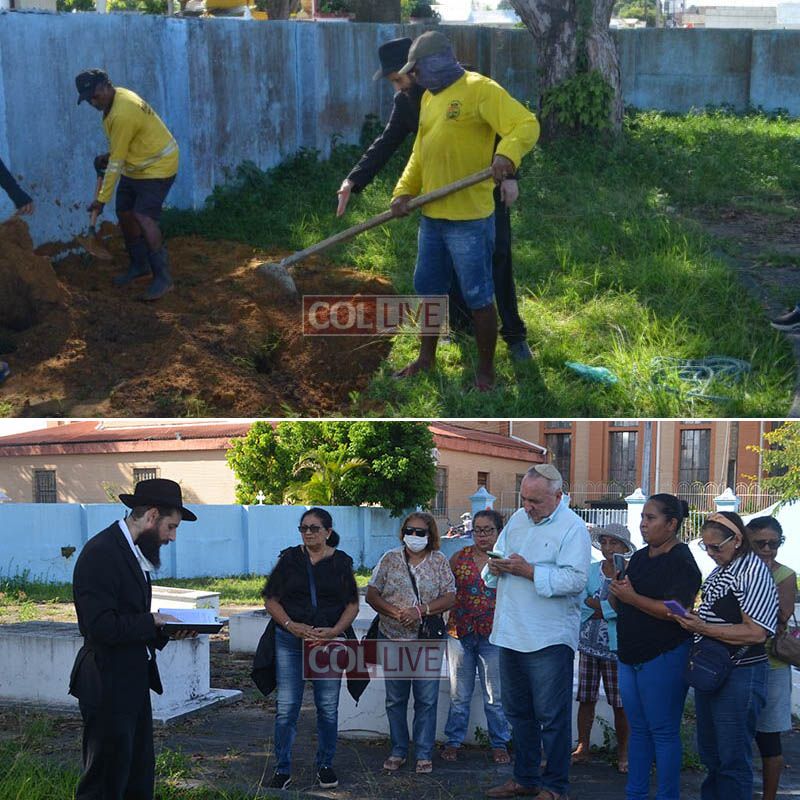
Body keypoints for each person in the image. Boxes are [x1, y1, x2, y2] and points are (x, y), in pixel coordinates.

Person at [337, 37, 533, 363]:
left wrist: (510, 173)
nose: (398, 87)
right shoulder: (413, 102)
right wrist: (353, 181)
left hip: (482, 188)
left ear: (417, 69)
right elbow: (390, 144)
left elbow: (505, 127)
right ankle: (460, 326)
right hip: (439, 202)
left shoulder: (467, 82)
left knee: (496, 257)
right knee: (446, 270)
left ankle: (514, 336)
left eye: (400, 78)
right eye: (394, 81)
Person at [390, 31, 540, 391]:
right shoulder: (428, 99)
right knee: (428, 289)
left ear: (437, 62)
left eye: (419, 68)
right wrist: (404, 191)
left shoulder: (480, 89)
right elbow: (420, 153)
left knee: (477, 294)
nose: (416, 76)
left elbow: (526, 124)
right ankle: (426, 359)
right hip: (432, 217)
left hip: (470, 220)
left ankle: (486, 374)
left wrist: (507, 155)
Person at [69, 478, 197, 800]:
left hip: (132, 682)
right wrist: (152, 620)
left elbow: (130, 622)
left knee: (137, 778)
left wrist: (166, 631)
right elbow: (99, 627)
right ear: (152, 516)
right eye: (171, 527)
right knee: (104, 783)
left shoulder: (133, 552)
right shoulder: (102, 553)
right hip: (106, 683)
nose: (172, 536)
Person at [483, 463, 591, 800]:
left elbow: (576, 581)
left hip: (548, 639)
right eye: (524, 498)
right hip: (510, 632)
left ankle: (555, 786)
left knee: (552, 717)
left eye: (536, 501)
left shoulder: (573, 529)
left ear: (558, 496)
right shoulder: (516, 519)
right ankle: (525, 778)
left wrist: (529, 571)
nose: (527, 507)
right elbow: (496, 560)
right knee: (518, 713)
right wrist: (494, 566)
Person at [671, 512, 778, 800]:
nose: (711, 553)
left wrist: (703, 626)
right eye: (706, 547)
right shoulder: (724, 570)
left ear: (738, 540)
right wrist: (696, 621)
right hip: (716, 671)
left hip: (740, 672)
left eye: (716, 547)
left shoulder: (751, 572)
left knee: (731, 758)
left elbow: (757, 633)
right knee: (712, 755)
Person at [609, 494, 702, 800]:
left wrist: (632, 598)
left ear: (672, 524)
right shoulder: (638, 557)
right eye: (643, 517)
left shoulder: (682, 562)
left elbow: (678, 610)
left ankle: (667, 796)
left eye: (651, 518)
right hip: (630, 655)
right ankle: (635, 794)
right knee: (639, 730)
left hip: (664, 656)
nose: (643, 524)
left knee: (662, 731)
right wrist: (616, 590)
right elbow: (622, 600)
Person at [262, 507, 360, 791]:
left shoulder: (341, 562)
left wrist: (334, 631)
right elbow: (271, 600)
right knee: (287, 707)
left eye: (314, 528)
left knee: (327, 707)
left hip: (327, 643)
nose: (308, 533)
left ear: (328, 532)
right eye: (303, 528)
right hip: (290, 641)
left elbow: (352, 605)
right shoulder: (289, 559)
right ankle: (282, 768)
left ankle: (325, 765)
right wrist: (291, 625)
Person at [76, 69, 179, 301]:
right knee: (124, 210)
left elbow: (115, 165)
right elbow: (122, 149)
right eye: (88, 99)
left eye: (94, 95)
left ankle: (163, 278)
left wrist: (101, 200)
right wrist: (109, 155)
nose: (93, 102)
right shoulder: (113, 102)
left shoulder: (123, 111)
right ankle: (139, 265)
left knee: (143, 216)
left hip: (158, 165)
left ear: (104, 85)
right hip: (137, 165)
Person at [366, 511, 456, 774]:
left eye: (420, 532)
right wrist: (396, 613)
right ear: (403, 532)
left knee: (426, 699)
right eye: (410, 530)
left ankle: (424, 752)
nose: (414, 536)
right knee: (396, 698)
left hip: (426, 641)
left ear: (430, 536)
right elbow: (372, 593)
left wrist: (421, 610)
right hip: (393, 637)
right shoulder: (390, 559)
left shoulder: (439, 561)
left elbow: (450, 596)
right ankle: (398, 750)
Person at [442, 508, 512, 764]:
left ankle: (499, 743)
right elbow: (445, 589)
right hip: (459, 633)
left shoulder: (505, 561)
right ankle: (453, 741)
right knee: (459, 694)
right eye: (477, 530)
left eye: (488, 530)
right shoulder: (458, 558)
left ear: (498, 531)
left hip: (493, 636)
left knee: (494, 695)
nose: (482, 536)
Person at [571, 523, 633, 774]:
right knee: (585, 698)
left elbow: (624, 608)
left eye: (614, 543)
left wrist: (602, 608)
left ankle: (623, 751)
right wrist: (607, 608)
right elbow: (580, 601)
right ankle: (582, 746)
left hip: (615, 647)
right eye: (605, 542)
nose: (608, 547)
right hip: (587, 644)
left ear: (623, 547)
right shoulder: (591, 570)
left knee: (620, 702)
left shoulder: (628, 574)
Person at [745, 516, 796, 800]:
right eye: (760, 543)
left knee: (769, 738)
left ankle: (769, 797)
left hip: (772, 665)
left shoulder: (785, 575)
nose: (766, 549)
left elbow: (780, 617)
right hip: (740, 661)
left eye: (772, 544)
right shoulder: (739, 571)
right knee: (738, 735)